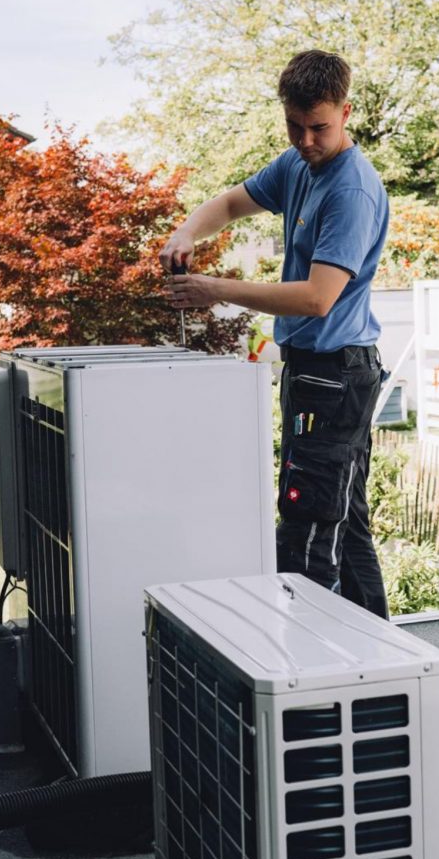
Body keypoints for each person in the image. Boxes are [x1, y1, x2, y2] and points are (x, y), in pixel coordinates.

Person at [160, 49, 390, 619]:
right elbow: (231, 202)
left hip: (336, 377)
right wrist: (187, 231)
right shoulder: (297, 165)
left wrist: (214, 288)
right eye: (295, 126)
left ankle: (308, 664)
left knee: (307, 533)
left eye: (319, 128)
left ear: (346, 112)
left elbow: (316, 298)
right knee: (345, 524)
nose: (306, 140)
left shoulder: (351, 192)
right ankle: (388, 657)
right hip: (314, 371)